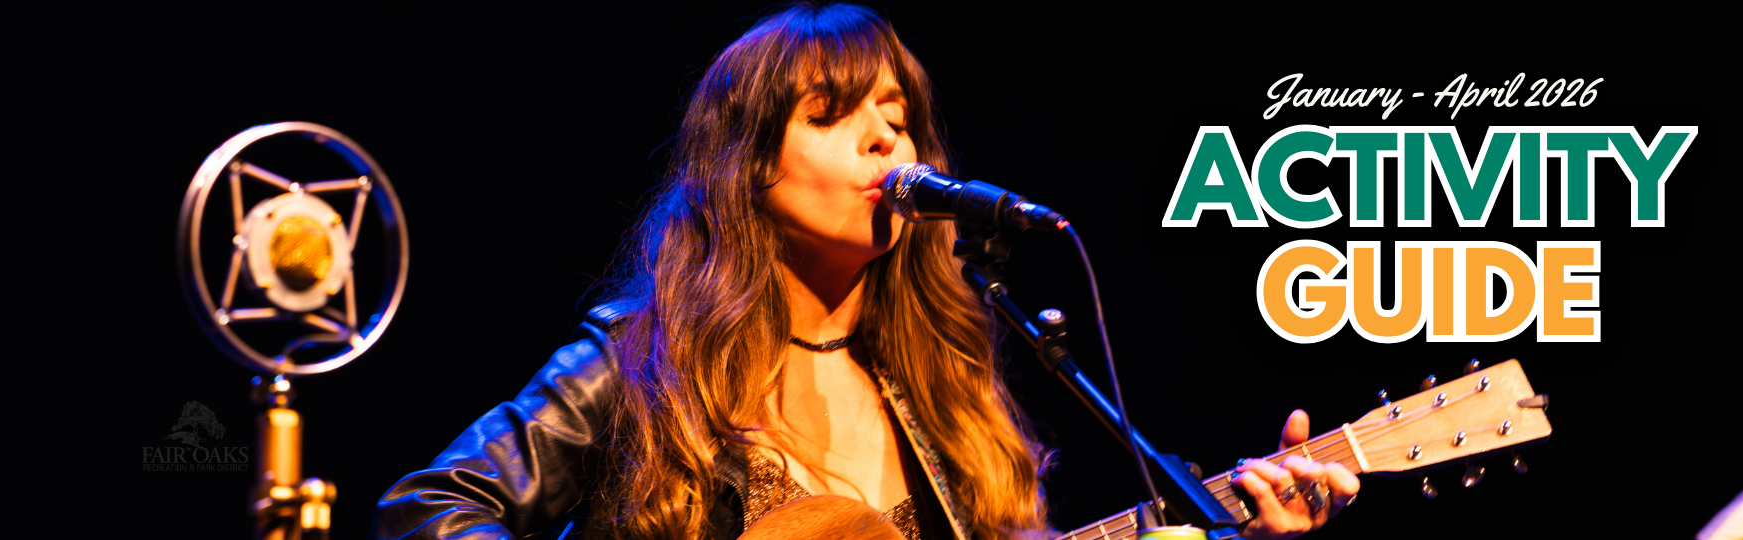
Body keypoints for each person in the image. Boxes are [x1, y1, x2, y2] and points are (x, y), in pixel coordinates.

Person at [373, 4, 1357, 539]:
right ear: (753, 165)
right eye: (835, 114)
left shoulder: (946, 392)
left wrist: (1235, 532)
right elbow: (427, 509)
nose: (887, 136)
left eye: (898, 114)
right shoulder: (647, 358)